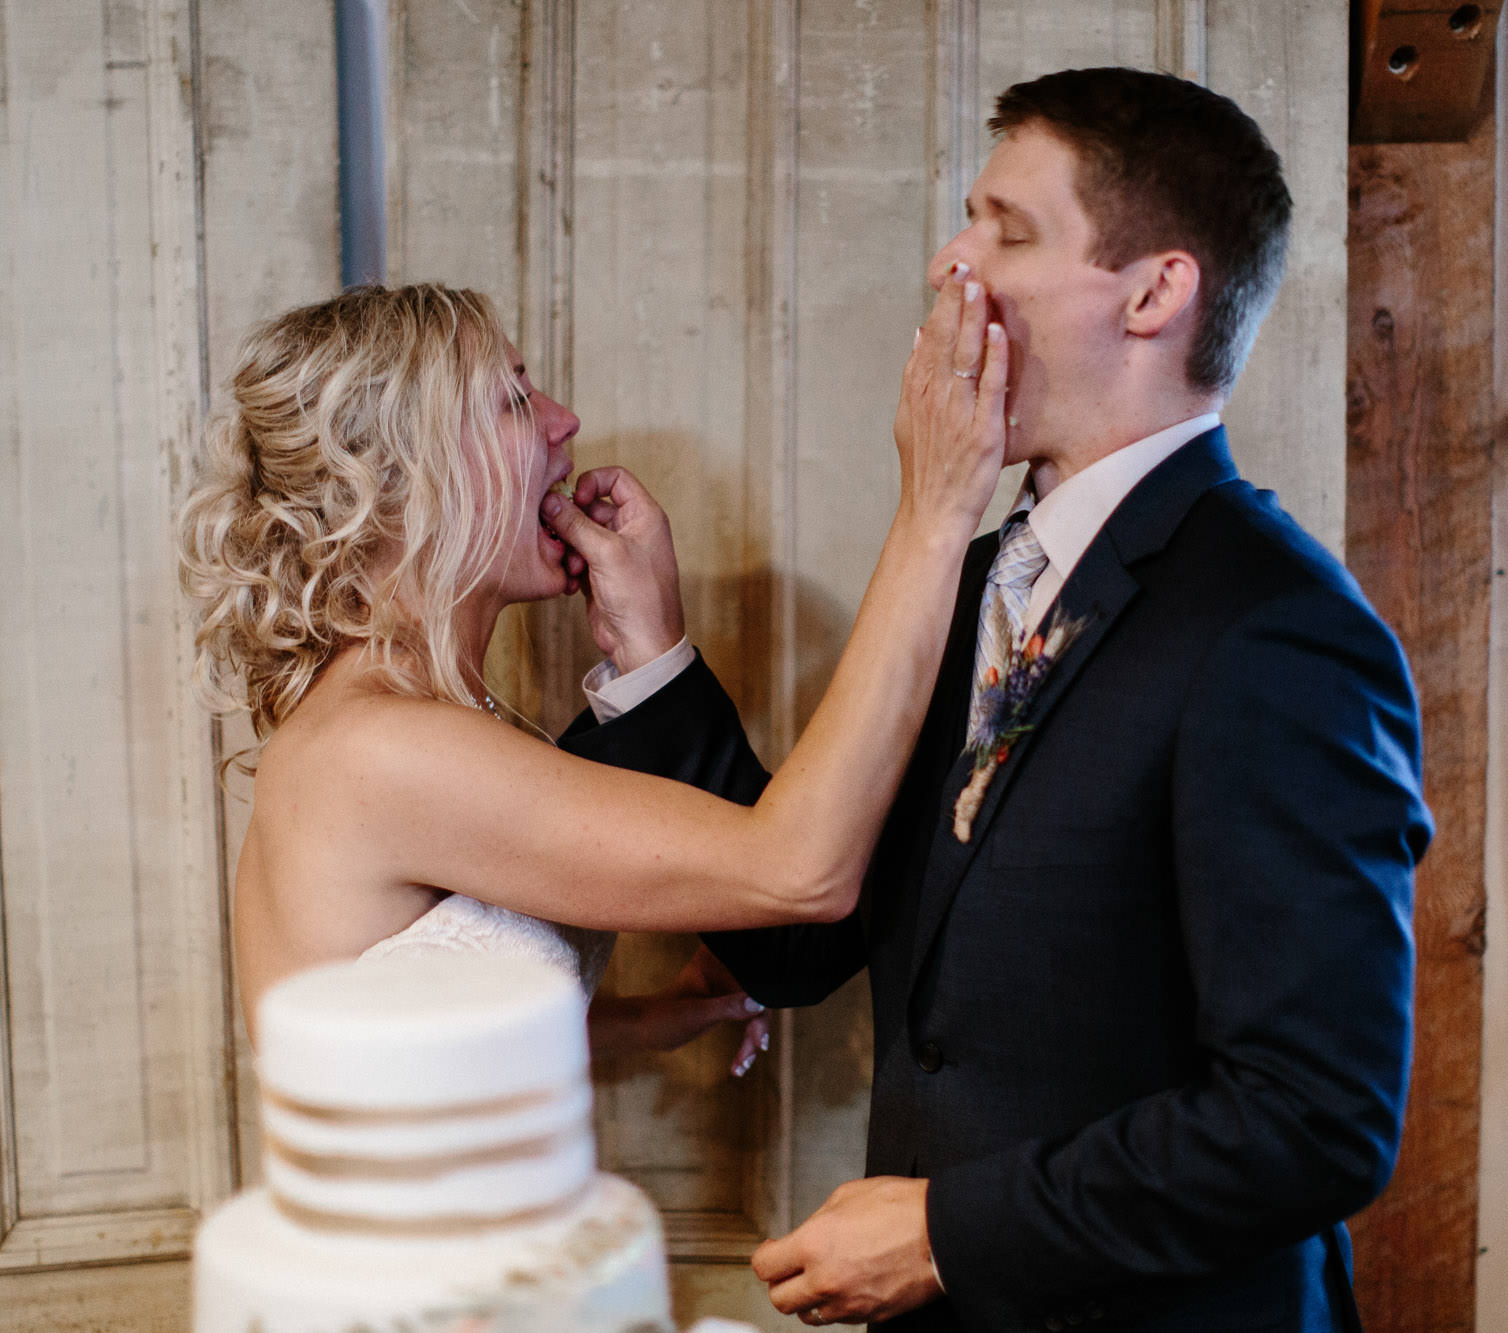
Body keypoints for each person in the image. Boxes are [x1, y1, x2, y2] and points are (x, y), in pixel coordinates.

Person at [552, 67, 1433, 1332]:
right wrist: (650, 655)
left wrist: (942, 1230)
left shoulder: (1276, 630)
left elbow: (1314, 1119)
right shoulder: (973, 578)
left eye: (1005, 229)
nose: (948, 265)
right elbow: (797, 939)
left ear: (1152, 292)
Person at [175, 279, 1008, 1067]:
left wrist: (651, 1019)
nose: (563, 421)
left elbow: (413, 1033)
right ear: (400, 479)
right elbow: (801, 868)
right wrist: (933, 510)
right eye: (513, 399)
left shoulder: (406, 722)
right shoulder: (382, 748)